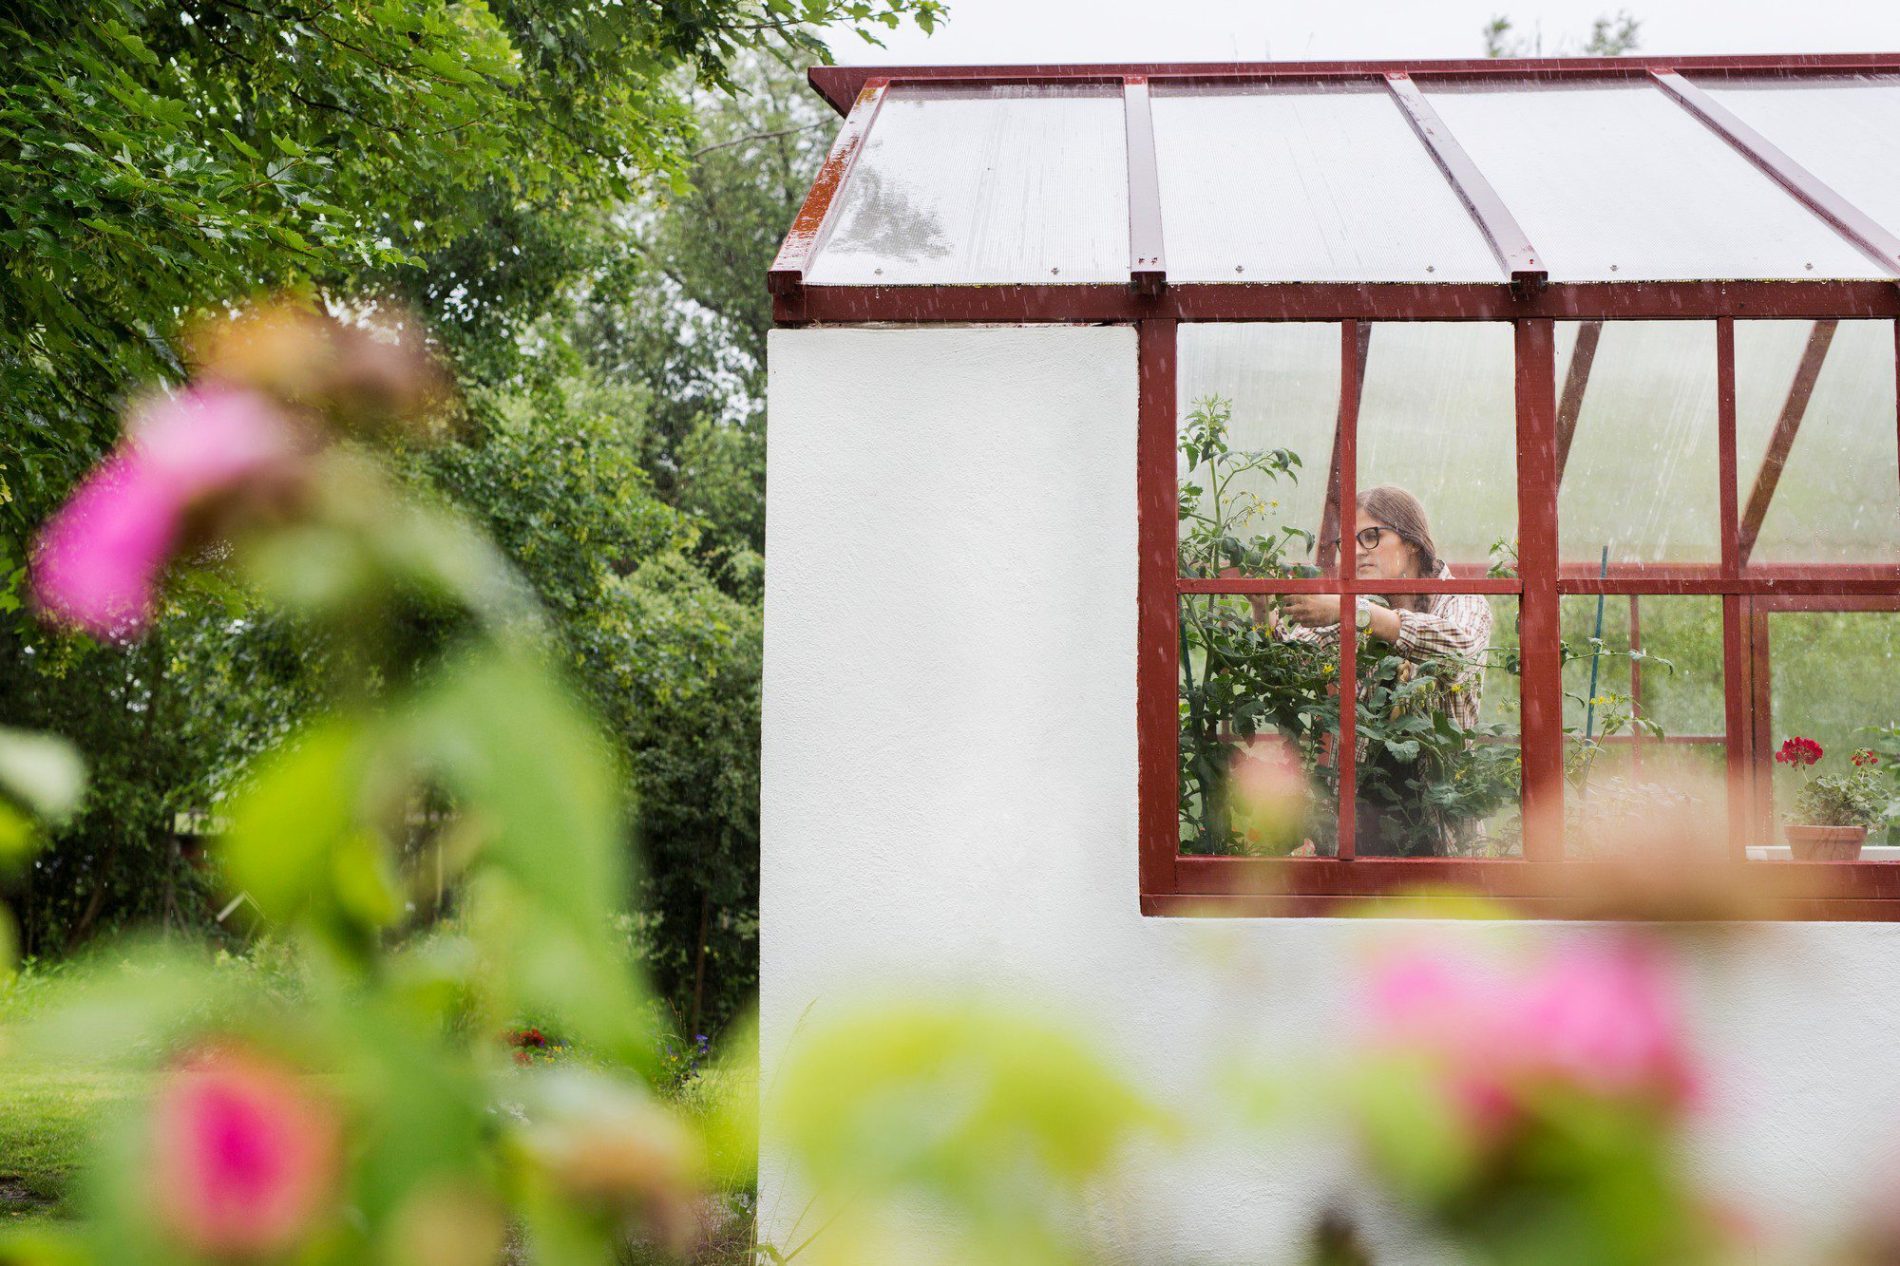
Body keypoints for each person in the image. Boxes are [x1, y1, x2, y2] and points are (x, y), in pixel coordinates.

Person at [1256, 485, 1494, 855]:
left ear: (1412, 541)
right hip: (1362, 826)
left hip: (1441, 827)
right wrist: (1261, 608)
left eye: (1370, 536)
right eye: (1346, 543)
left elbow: (1458, 649)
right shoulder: (1360, 604)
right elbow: (1295, 666)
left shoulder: (1461, 598)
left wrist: (1355, 613)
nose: (1356, 552)